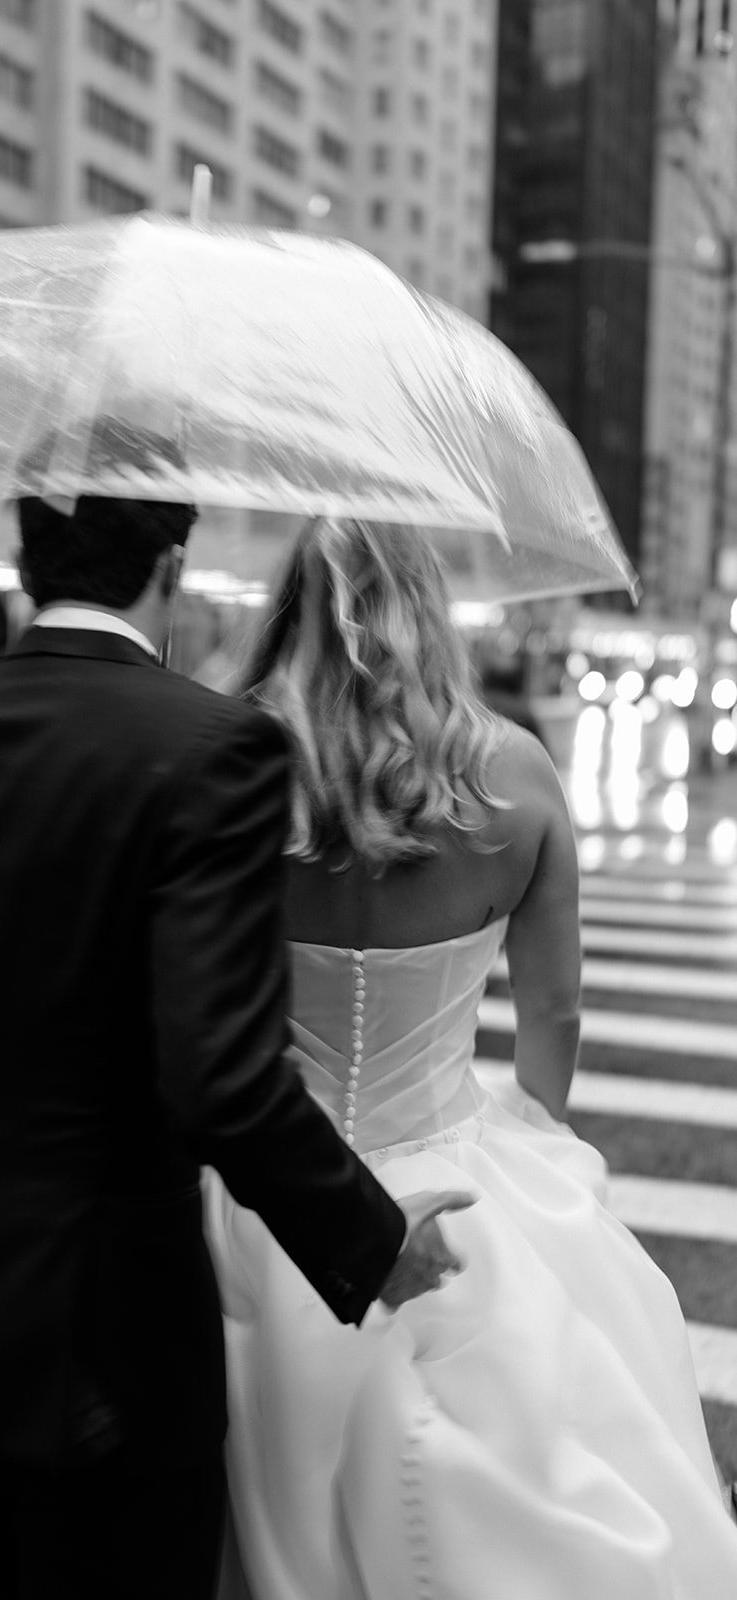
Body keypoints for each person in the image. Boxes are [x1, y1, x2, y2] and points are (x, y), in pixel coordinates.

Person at [0, 491, 473, 1600]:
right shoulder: (212, 747)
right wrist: (370, 1240)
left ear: (28, 560)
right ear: (169, 565)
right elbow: (218, 1078)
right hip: (91, 1341)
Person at [208, 517, 737, 1600]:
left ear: (291, 608)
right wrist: (531, 1133)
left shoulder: (223, 768)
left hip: (263, 1186)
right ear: (426, 608)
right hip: (446, 1164)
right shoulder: (515, 777)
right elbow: (553, 1009)